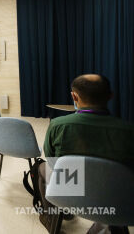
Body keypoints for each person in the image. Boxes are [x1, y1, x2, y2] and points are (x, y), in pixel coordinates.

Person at [39, 74, 134, 233]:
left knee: (41, 168)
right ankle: (109, 224)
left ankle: (51, 217)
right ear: (110, 96)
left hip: (69, 185)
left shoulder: (57, 125)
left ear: (74, 96)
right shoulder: (129, 131)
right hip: (114, 193)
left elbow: (51, 161)